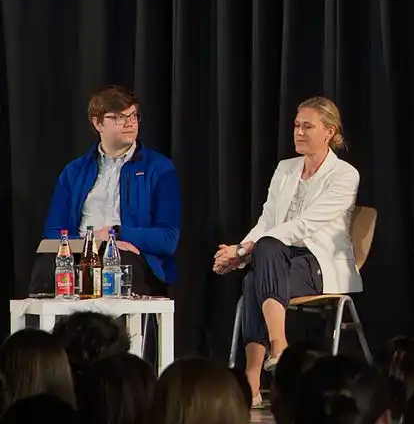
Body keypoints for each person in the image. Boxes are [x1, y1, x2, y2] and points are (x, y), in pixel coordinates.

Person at [213, 96, 361, 405]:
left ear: (329, 132)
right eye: (296, 125)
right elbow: (267, 219)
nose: (299, 132)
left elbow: (305, 224)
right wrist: (242, 250)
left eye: (308, 126)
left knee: (260, 265)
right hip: (278, 260)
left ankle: (264, 362)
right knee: (255, 275)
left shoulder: (345, 175)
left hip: (319, 263)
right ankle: (263, 364)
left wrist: (243, 251)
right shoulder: (285, 169)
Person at [35, 85, 181, 297]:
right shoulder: (74, 172)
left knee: (119, 264)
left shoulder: (159, 169)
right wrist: (90, 243)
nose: (130, 123)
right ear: (98, 123)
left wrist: (116, 234)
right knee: (45, 269)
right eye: (120, 117)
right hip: (81, 251)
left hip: (130, 255)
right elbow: (53, 232)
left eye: (133, 115)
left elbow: (168, 238)